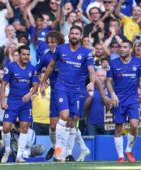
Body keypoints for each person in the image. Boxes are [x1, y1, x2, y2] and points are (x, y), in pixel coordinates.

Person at [40, 25, 96, 162]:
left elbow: (91, 70)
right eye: (72, 33)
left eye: (77, 33)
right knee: (63, 116)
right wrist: (43, 83)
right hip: (61, 87)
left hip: (77, 91)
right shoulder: (60, 49)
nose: (74, 35)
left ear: (81, 36)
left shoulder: (86, 52)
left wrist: (92, 82)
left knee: (71, 122)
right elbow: (51, 66)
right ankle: (58, 150)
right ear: (69, 35)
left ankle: (66, 153)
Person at [106, 40, 141, 163]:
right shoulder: (113, 63)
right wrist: (112, 94)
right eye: (120, 47)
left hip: (133, 98)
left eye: (125, 47)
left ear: (131, 50)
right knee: (118, 126)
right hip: (118, 99)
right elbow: (108, 81)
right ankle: (120, 156)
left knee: (134, 125)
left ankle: (128, 149)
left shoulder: (138, 63)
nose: (121, 49)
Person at [0, 45, 38, 163]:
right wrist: (2, 100)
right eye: (24, 54)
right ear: (19, 55)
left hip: (26, 103)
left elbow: (36, 85)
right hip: (12, 101)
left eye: (28, 54)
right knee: (6, 128)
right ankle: (7, 150)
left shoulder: (32, 68)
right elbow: (3, 84)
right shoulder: (11, 67)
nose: (26, 56)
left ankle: (19, 156)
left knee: (24, 127)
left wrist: (30, 93)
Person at [35, 30, 64, 160]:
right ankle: (54, 147)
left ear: (59, 42)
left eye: (54, 42)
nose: (51, 45)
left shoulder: (66, 55)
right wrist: (41, 83)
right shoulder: (46, 57)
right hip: (54, 92)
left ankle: (61, 152)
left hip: (67, 91)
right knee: (53, 126)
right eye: (49, 42)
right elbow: (35, 71)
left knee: (64, 124)